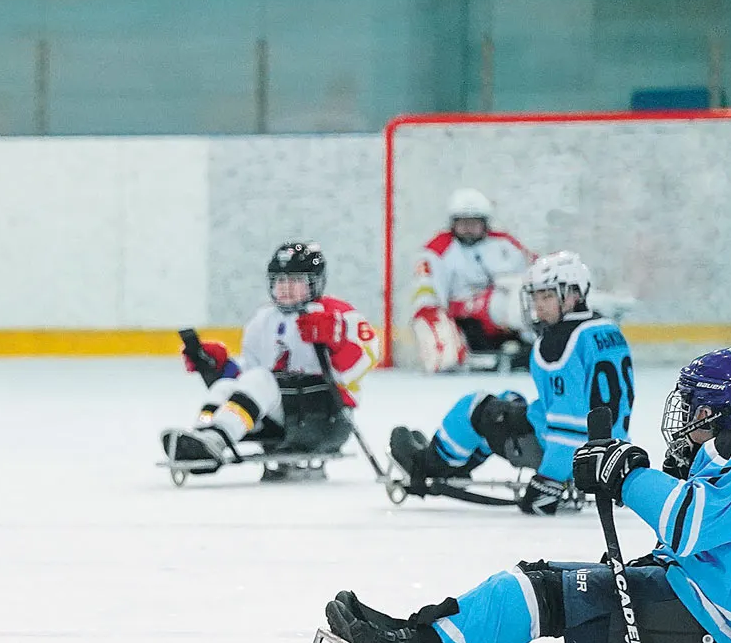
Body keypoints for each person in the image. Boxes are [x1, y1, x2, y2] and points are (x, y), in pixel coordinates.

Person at [329, 348, 731, 643]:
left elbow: (687, 524)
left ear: (728, 412)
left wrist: (627, 476)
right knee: (540, 581)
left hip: (719, 629)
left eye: (697, 407)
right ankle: (418, 638)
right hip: (708, 611)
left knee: (541, 591)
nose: (686, 417)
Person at [389, 250, 631, 515]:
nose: (538, 305)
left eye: (547, 296)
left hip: (569, 457)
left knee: (476, 407)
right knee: (509, 398)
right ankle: (459, 463)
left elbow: (569, 424)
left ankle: (427, 465)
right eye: (536, 296)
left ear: (573, 295)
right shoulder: (607, 328)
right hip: (612, 450)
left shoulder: (557, 343)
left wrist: (549, 483)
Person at [161, 242, 375, 471]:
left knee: (262, 379)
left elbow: (368, 358)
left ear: (315, 282)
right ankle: (203, 436)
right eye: (280, 280)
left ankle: (216, 438)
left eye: (295, 281)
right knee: (225, 386)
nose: (286, 288)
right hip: (284, 417)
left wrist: (338, 338)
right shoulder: (264, 320)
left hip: (324, 418)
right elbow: (249, 379)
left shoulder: (337, 313)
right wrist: (219, 367)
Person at [408, 187, 535, 371]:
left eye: (474, 223)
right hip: (464, 317)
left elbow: (532, 272)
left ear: (485, 223)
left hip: (505, 314)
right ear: (453, 224)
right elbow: (427, 293)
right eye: (463, 223)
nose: (468, 229)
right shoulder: (438, 250)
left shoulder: (504, 244)